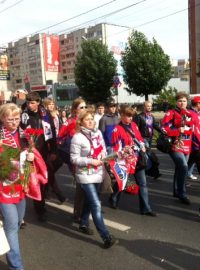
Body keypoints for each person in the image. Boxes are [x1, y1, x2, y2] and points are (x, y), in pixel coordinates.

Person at [70, 109, 118, 248]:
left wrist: (110, 157)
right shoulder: (77, 137)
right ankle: (106, 236)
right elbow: (74, 159)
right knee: (96, 204)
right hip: (85, 175)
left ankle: (83, 223)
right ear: (81, 122)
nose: (91, 121)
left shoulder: (97, 133)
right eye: (87, 119)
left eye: (92, 118)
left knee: (90, 202)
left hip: (98, 173)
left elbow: (102, 149)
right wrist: (90, 161)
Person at [0, 103, 34, 270]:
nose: (14, 122)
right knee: (12, 226)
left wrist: (31, 158)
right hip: (3, 188)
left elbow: (30, 161)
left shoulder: (25, 135)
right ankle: (17, 267)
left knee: (17, 223)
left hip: (20, 187)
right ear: (2, 119)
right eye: (10, 119)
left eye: (17, 118)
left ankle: (9, 248)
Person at [109, 105, 157, 216]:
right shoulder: (117, 129)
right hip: (124, 161)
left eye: (132, 116)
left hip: (137, 159)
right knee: (123, 181)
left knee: (143, 184)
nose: (131, 118)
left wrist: (142, 145)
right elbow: (115, 148)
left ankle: (146, 209)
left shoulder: (134, 125)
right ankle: (114, 197)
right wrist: (124, 150)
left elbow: (139, 138)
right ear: (122, 115)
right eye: (128, 116)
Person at [20, 92, 57, 221]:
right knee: (35, 181)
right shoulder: (23, 115)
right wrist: (25, 150)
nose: (30, 105)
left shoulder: (45, 115)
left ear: (38, 102)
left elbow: (52, 132)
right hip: (31, 153)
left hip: (44, 151)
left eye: (33, 103)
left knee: (47, 177)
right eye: (29, 103)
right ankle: (39, 209)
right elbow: (21, 134)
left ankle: (42, 200)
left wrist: (53, 150)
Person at [58, 97, 87, 223]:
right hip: (75, 160)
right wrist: (70, 151)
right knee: (82, 186)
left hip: (87, 158)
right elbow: (59, 138)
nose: (84, 109)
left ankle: (80, 213)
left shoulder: (87, 120)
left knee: (85, 186)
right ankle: (78, 214)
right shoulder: (70, 122)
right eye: (82, 107)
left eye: (85, 107)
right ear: (75, 110)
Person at [161, 91, 194, 204]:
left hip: (187, 146)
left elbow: (194, 130)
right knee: (184, 167)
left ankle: (176, 190)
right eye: (180, 101)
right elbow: (164, 129)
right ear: (176, 102)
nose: (182, 103)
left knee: (180, 168)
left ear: (187, 102)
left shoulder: (190, 114)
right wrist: (177, 131)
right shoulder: (171, 113)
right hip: (175, 145)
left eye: (184, 101)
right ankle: (182, 193)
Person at [43, 97, 66, 203]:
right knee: (49, 170)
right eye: (49, 104)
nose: (51, 106)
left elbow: (59, 128)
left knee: (59, 163)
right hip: (47, 145)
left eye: (52, 104)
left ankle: (46, 184)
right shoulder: (45, 116)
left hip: (57, 143)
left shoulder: (56, 115)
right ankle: (59, 194)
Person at [134, 101, 162, 179]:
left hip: (150, 138)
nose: (149, 107)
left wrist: (162, 131)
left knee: (148, 155)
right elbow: (135, 128)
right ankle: (152, 172)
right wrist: (138, 139)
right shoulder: (139, 117)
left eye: (150, 106)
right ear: (144, 107)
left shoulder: (151, 116)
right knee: (148, 155)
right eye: (147, 106)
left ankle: (151, 172)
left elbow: (155, 125)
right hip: (143, 138)